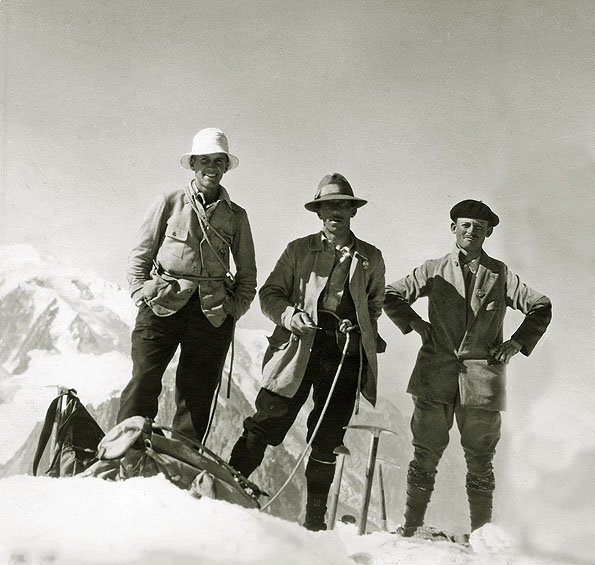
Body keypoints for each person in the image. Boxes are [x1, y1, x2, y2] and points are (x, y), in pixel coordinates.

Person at [383, 199, 552, 536]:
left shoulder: (500, 274)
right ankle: (411, 527)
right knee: (424, 454)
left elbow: (541, 305)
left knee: (480, 460)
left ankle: (481, 535)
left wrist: (517, 342)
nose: (471, 231)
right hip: (433, 378)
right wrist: (415, 323)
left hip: (481, 383)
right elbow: (390, 294)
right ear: (453, 229)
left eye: (478, 226)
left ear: (488, 232)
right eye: (465, 225)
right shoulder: (433, 269)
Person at [228, 173, 386, 531]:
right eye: (329, 206)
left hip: (344, 352)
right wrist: (289, 315)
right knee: (267, 419)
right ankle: (226, 490)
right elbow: (270, 294)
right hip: (297, 347)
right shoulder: (298, 250)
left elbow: (374, 304)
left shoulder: (370, 258)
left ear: (353, 212)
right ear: (319, 212)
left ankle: (314, 522)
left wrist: (358, 327)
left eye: (343, 205)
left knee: (328, 437)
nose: (336, 212)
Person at [117, 128, 257, 444]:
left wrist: (232, 311)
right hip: (162, 305)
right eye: (204, 160)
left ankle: (182, 467)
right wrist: (142, 293)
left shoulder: (237, 216)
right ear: (193, 164)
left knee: (197, 397)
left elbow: (248, 276)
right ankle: (123, 454)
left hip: (212, 315)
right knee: (142, 383)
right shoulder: (168, 203)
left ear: (225, 167)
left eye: (218, 161)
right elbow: (141, 253)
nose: (212, 167)